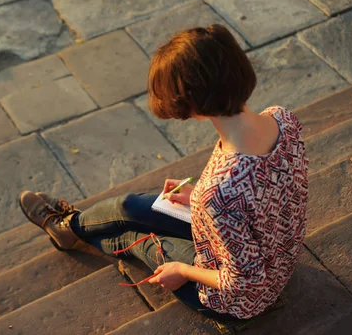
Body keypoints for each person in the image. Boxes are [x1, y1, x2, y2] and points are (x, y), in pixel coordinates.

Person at [18, 24, 308, 321]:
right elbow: (266, 191)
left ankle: (70, 230)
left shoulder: (218, 194)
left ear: (191, 104)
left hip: (240, 299)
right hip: (269, 247)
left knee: (136, 237)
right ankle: (69, 227)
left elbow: (247, 281)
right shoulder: (282, 118)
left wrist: (180, 270)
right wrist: (198, 199)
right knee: (127, 206)